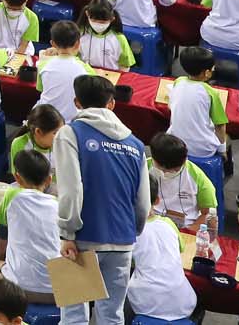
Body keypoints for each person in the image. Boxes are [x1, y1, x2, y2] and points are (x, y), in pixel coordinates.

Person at [54, 73, 150, 325]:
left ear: (76, 102)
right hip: (123, 240)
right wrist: (132, 231)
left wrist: (67, 233)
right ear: (112, 103)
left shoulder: (69, 133)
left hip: (83, 238)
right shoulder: (136, 144)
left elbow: (71, 189)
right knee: (112, 315)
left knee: (74, 317)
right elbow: (143, 203)